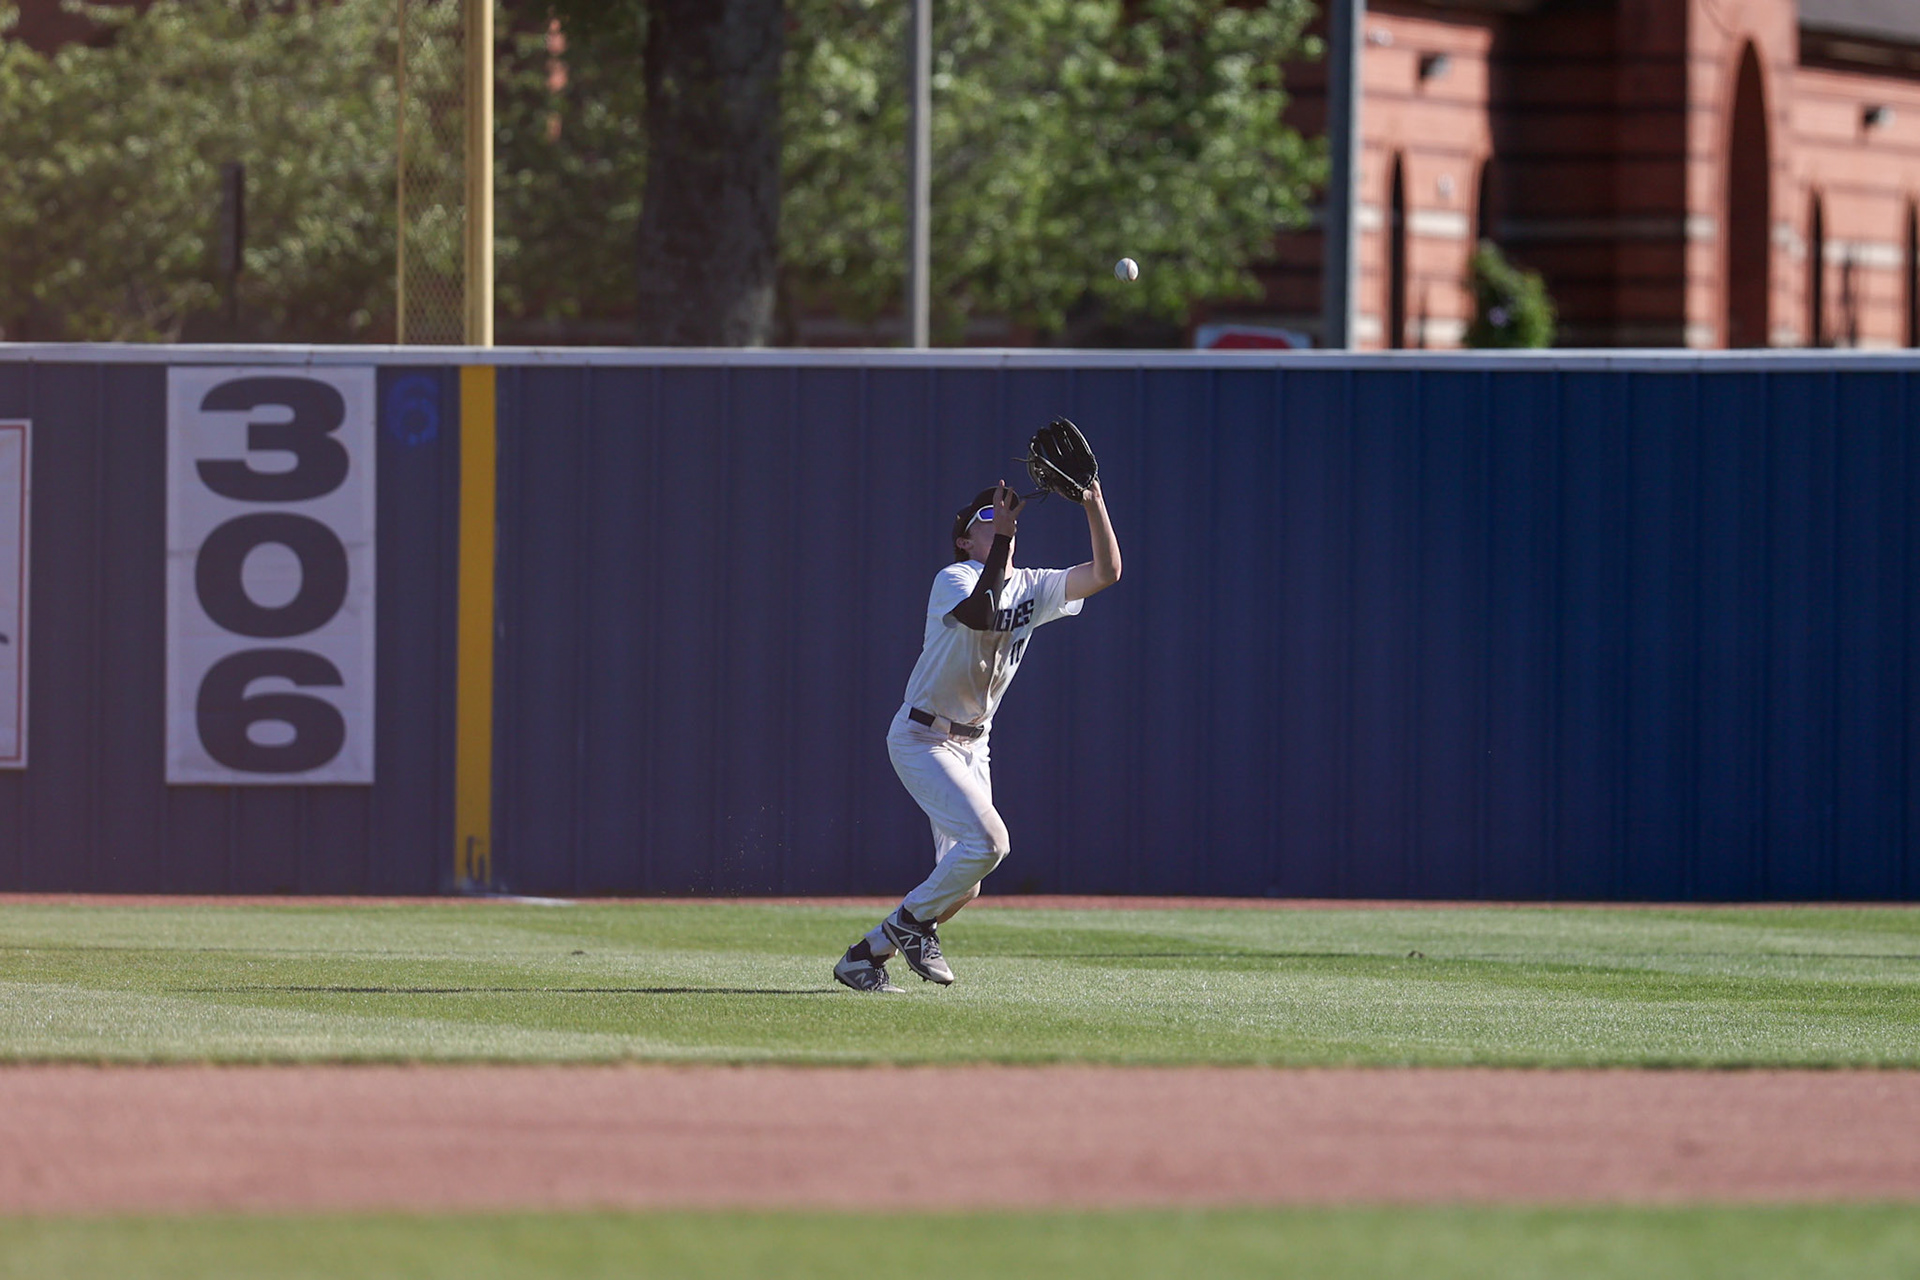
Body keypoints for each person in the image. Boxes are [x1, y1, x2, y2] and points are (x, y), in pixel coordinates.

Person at [834, 475, 1122, 991]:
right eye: (984, 519)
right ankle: (909, 923)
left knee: (965, 888)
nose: (998, 522)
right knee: (991, 842)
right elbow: (982, 613)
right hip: (923, 737)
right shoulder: (955, 577)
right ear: (966, 540)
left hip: (974, 741)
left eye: (1003, 518)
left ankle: (864, 957)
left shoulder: (1034, 585)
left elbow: (1107, 573)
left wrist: (1093, 504)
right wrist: (1004, 537)